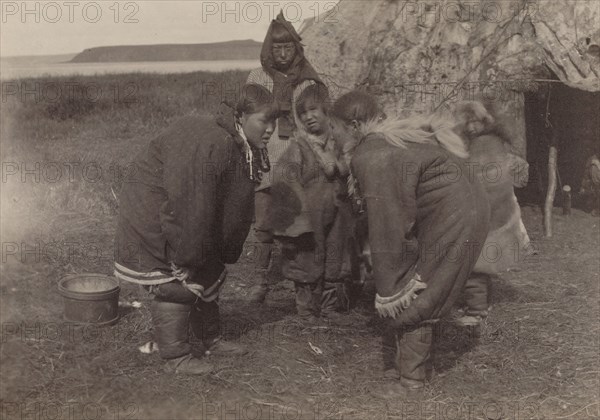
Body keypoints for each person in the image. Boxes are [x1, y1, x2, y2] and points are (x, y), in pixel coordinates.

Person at [331, 91, 490, 394]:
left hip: (455, 213)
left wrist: (388, 281)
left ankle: (411, 380)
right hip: (468, 206)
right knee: (423, 281)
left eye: (335, 129)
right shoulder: (388, 144)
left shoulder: (372, 154)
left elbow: (389, 224)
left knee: (416, 289)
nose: (332, 137)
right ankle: (413, 367)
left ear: (353, 126)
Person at [114, 84, 278, 375]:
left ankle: (209, 338)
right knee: (173, 279)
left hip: (181, 210)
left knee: (208, 266)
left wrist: (214, 250)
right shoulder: (214, 143)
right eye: (264, 120)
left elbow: (222, 206)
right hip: (156, 211)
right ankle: (175, 356)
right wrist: (185, 256)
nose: (270, 129)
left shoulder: (239, 144)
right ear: (240, 116)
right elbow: (190, 206)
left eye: (274, 122)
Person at [246, 11, 325, 303]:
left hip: (297, 159)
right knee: (264, 222)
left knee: (296, 220)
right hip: (266, 158)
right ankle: (260, 280)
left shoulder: (307, 81)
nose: (281, 53)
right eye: (276, 47)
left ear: (296, 48)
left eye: (287, 47)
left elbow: (316, 121)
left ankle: (298, 279)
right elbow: (248, 118)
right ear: (268, 49)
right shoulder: (256, 77)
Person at [266, 84, 354, 324]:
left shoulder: (341, 144)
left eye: (313, 110)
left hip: (338, 213)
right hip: (310, 217)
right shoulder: (299, 147)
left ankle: (329, 307)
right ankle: (306, 312)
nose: (308, 117)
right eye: (302, 113)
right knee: (306, 259)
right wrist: (298, 217)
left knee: (336, 258)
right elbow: (285, 178)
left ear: (326, 111)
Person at [453, 101, 534, 326]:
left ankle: (476, 312)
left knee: (472, 263)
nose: (470, 127)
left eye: (474, 122)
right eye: (467, 123)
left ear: (484, 121)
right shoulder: (491, 142)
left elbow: (483, 178)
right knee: (482, 262)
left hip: (485, 211)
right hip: (495, 210)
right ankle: (483, 304)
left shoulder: (484, 144)